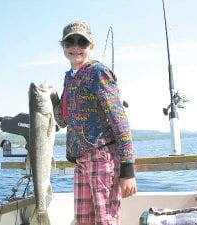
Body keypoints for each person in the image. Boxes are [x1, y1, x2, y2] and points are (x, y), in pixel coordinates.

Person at [50, 21, 137, 225]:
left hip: (102, 158)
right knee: (83, 222)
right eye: (69, 42)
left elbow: (119, 119)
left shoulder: (98, 72)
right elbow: (63, 121)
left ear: (91, 46)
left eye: (82, 41)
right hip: (80, 161)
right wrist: (53, 97)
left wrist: (128, 169)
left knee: (105, 221)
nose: (75, 46)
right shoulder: (69, 78)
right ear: (63, 47)